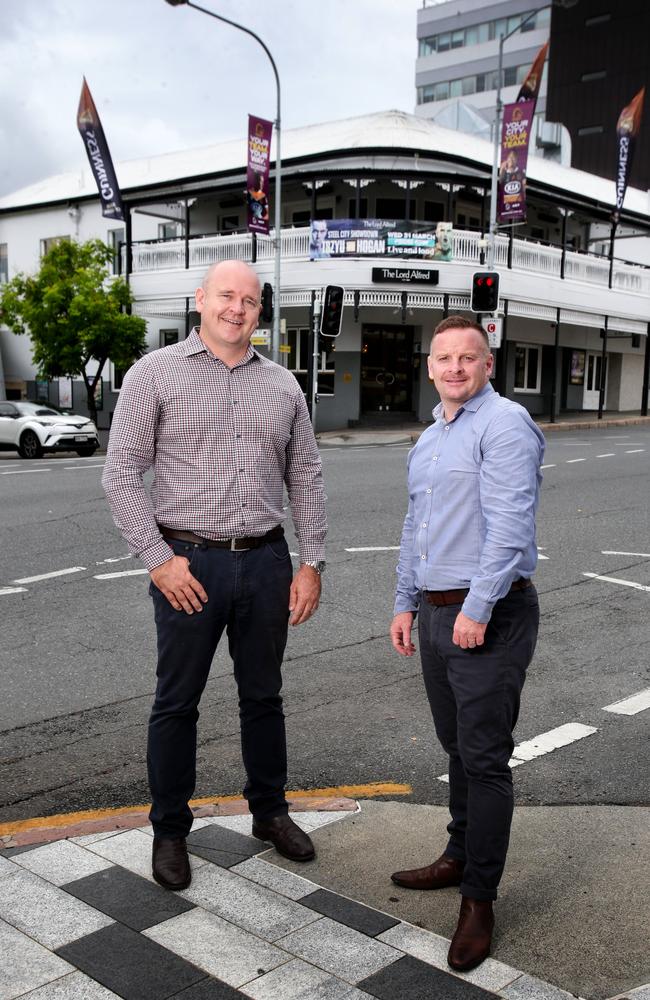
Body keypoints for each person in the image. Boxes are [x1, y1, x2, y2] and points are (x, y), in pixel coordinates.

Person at [103, 259, 327, 891]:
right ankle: (170, 831)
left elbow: (305, 479)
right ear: (199, 300)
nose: (237, 308)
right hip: (187, 564)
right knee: (176, 703)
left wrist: (311, 562)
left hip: (265, 561)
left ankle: (270, 812)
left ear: (261, 312)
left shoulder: (283, 386)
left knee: (263, 696)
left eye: (250, 300)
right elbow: (121, 473)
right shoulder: (154, 373)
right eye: (226, 296)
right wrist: (158, 558)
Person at [390, 315, 544, 972]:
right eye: (444, 357)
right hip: (435, 612)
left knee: (484, 761)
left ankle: (479, 899)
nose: (455, 368)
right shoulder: (428, 438)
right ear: (431, 366)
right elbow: (415, 524)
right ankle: (458, 856)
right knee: (457, 749)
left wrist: (477, 608)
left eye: (468, 358)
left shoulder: (504, 424)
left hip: (490, 614)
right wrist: (405, 600)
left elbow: (511, 524)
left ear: (488, 365)